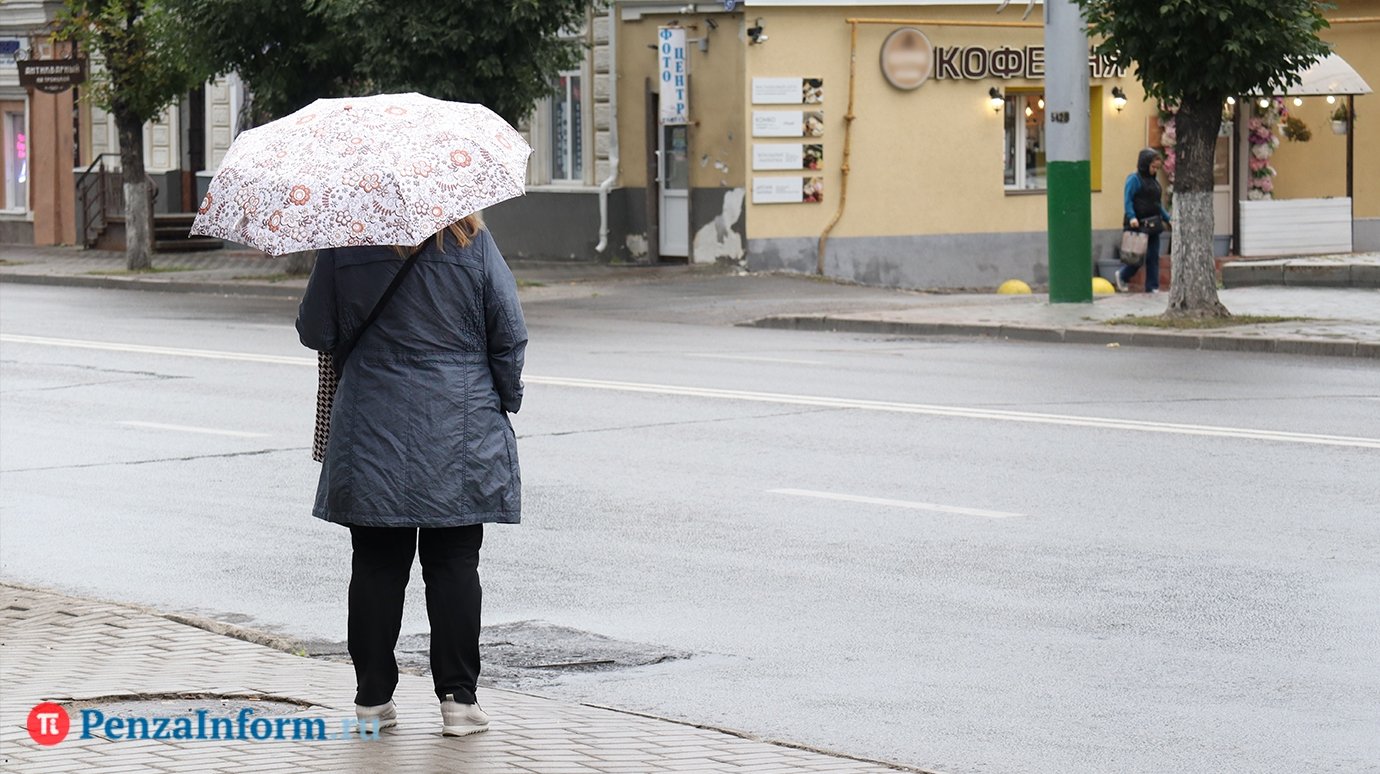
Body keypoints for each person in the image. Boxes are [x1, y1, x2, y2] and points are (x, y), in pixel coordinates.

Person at [296, 213, 526, 737]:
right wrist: (504, 398)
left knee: (377, 565)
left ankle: (373, 701)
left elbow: (315, 330)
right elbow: (508, 331)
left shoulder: (345, 242)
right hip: (460, 425)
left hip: (371, 423)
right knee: (454, 564)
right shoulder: (474, 241)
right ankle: (459, 702)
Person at [1114, 148, 1172, 293]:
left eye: (1157, 168)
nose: (1154, 171)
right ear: (1144, 164)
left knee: (1153, 256)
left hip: (1153, 224)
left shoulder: (1154, 182)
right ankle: (1122, 275)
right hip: (1138, 224)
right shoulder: (1134, 179)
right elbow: (1128, 200)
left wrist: (1168, 218)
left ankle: (1152, 287)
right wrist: (1132, 216)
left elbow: (1157, 204)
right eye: (1152, 167)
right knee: (1136, 257)